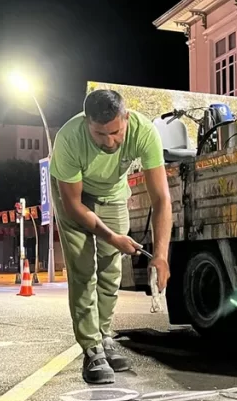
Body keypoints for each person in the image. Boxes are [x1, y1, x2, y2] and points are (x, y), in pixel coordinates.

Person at [50, 89, 172, 384]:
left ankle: (104, 336)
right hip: (74, 199)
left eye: (115, 133)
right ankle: (91, 349)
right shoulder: (69, 138)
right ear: (87, 123)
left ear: (126, 119)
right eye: (99, 134)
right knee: (83, 270)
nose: (110, 142)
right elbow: (74, 205)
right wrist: (111, 237)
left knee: (110, 272)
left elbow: (161, 199)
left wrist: (161, 255)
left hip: (114, 195)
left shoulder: (144, 132)